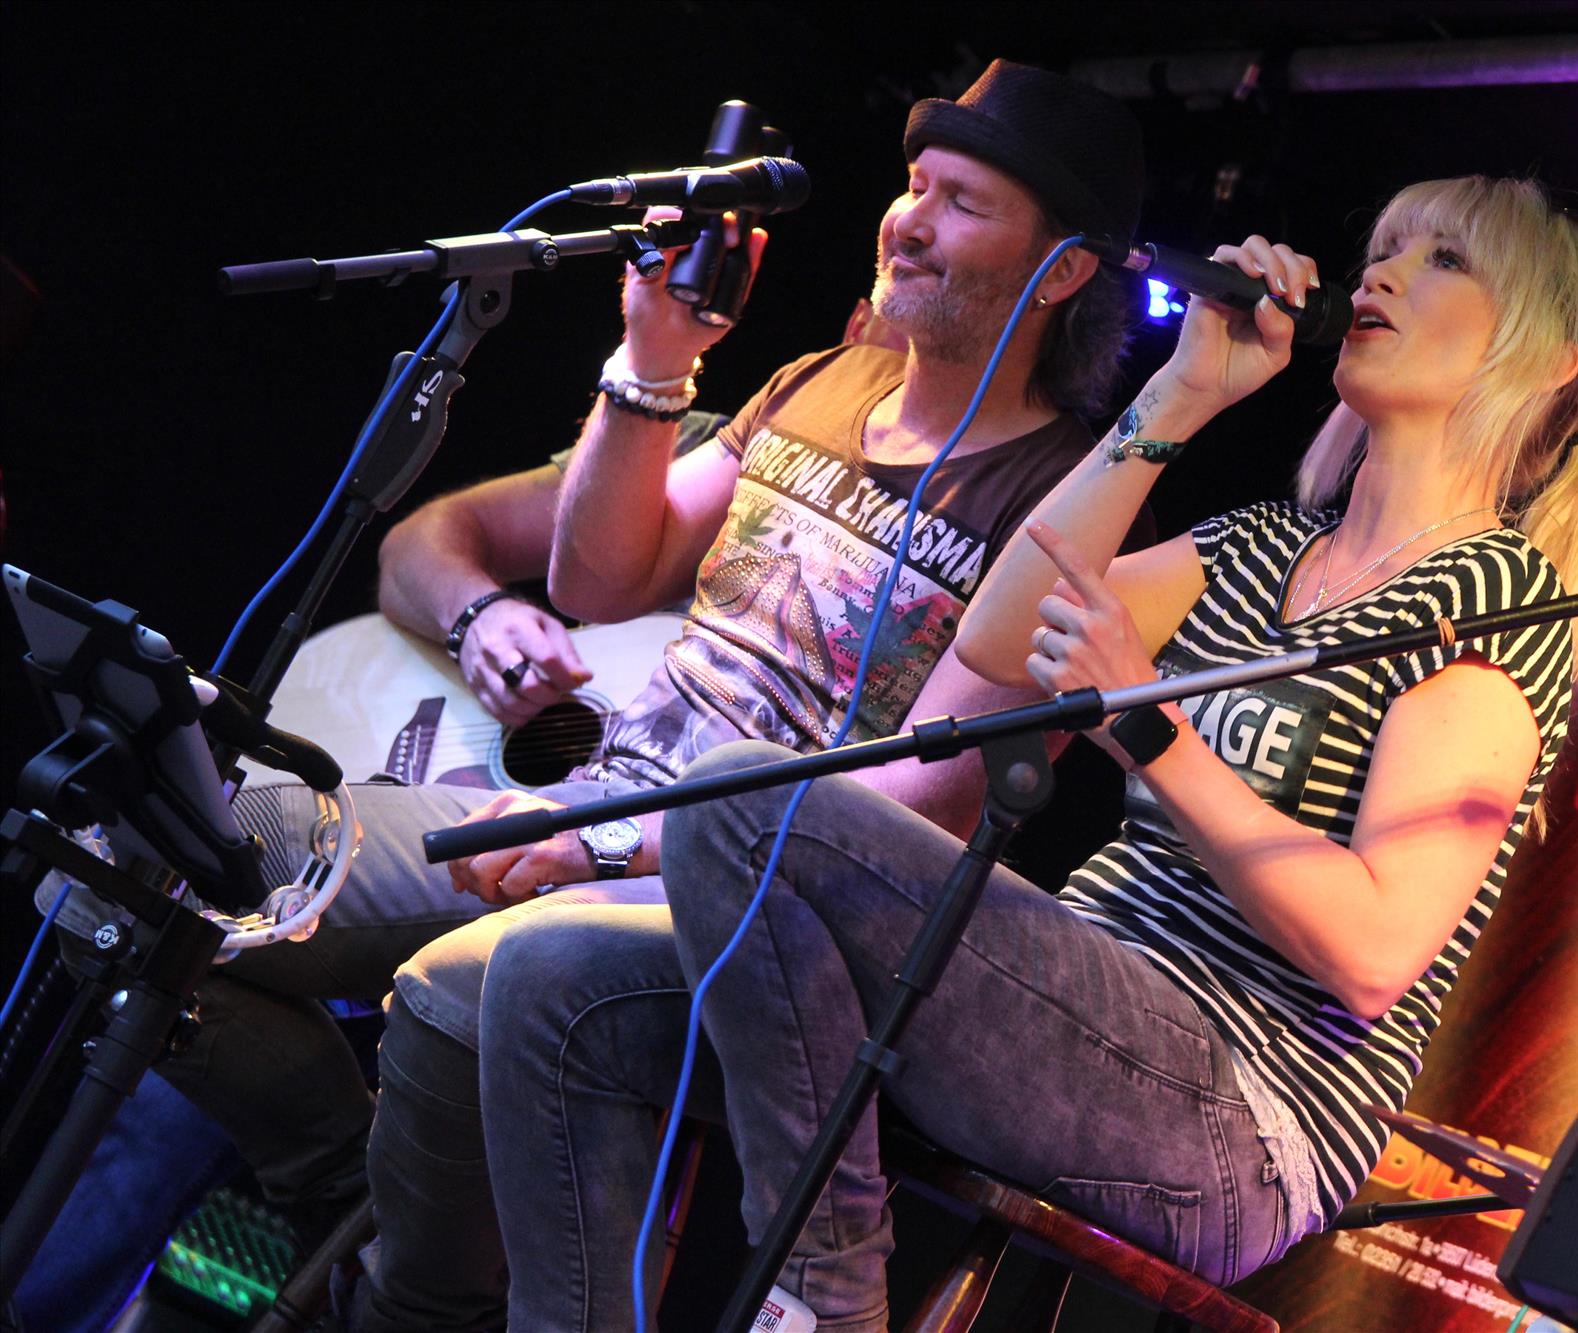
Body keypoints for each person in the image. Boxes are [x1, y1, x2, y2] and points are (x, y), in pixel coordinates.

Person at [32, 57, 1147, 1330]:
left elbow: (921, 806)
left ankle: (409, 1281)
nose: (909, 219)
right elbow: (600, 576)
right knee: (131, 859)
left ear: (1060, 272)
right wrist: (653, 359)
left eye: (962, 201)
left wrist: (608, 840)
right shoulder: (817, 384)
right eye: (914, 184)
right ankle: (352, 1182)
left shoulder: (1065, 498)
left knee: (455, 999)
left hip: (738, 901)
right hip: (586, 801)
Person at [472, 174, 1578, 1331]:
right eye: (1384, 247)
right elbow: (997, 637)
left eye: (1443, 260)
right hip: (1076, 1001)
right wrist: (1179, 394)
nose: (1379, 276)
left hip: (1239, 1110)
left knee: (738, 801)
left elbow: (1374, 950)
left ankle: (825, 1294)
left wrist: (1144, 722)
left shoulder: (1491, 599)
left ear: (1550, 363)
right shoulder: (1262, 544)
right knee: (547, 983)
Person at [376, 299, 904, 728]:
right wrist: (477, 618)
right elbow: (412, 548)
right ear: (857, 327)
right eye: (910, 338)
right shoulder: (681, 441)